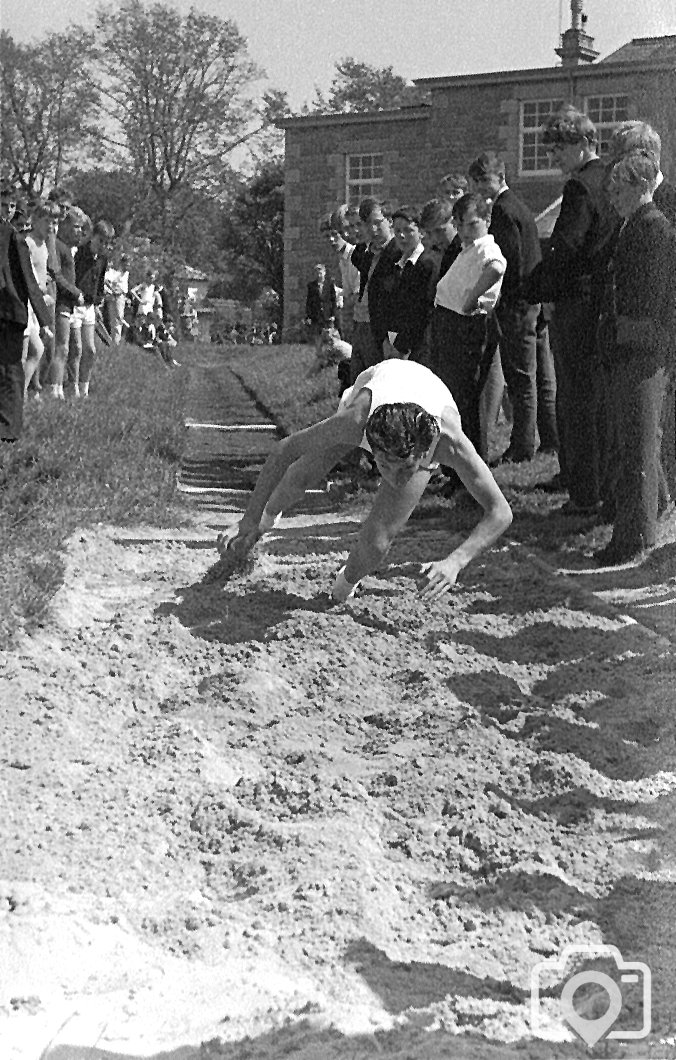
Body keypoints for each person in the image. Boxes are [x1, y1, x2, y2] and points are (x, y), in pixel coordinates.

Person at [217, 358, 512, 601]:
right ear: (370, 447)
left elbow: (500, 511)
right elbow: (284, 451)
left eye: (406, 469)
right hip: (377, 385)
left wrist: (455, 561)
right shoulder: (354, 422)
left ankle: (341, 590)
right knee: (306, 473)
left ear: (424, 453)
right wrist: (250, 517)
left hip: (426, 404)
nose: (395, 480)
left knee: (377, 541)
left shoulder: (450, 443)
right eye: (384, 466)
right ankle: (265, 523)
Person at [531, 104, 620, 514]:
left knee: (577, 401)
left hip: (576, 304)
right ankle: (600, 485)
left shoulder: (580, 187)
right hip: (604, 300)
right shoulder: (612, 178)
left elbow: (566, 247)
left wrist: (532, 288)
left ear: (585, 142)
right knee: (598, 401)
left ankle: (583, 492)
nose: (554, 157)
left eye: (560, 147)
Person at [595, 151, 676, 565]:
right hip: (628, 342)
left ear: (643, 186)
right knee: (636, 439)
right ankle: (653, 509)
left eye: (619, 188)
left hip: (642, 347)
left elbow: (653, 297)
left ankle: (634, 537)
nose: (612, 196)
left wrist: (626, 330)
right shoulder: (633, 225)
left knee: (639, 444)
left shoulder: (654, 229)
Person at [468, 151, 544, 464]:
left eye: (485, 180)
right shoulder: (515, 205)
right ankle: (529, 440)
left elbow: (509, 260)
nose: (482, 187)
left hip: (516, 302)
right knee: (524, 376)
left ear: (500, 177)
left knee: (521, 378)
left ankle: (524, 444)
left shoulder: (503, 210)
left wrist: (502, 297)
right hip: (526, 300)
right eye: (478, 181)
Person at [430, 193, 506, 461]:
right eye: (460, 225)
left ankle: (472, 468)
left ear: (486, 221)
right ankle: (457, 467)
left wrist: (472, 298)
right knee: (454, 400)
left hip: (468, 325)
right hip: (450, 324)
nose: (464, 231)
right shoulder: (468, 248)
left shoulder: (486, 246)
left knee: (468, 403)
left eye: (472, 224)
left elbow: (496, 268)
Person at [0, 215, 52, 441]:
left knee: (11, 370)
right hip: (9, 311)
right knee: (10, 372)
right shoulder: (11, 235)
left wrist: (43, 318)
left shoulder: (11, 236)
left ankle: (9, 431)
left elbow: (28, 279)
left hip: (9, 312)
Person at [383, 204, 439, 366]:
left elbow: (422, 311)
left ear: (421, 232)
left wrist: (401, 347)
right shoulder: (396, 264)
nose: (401, 236)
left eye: (408, 230)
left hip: (420, 345)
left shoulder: (427, 264)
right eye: (397, 231)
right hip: (396, 342)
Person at [69, 219, 115, 397]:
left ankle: (84, 387)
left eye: (106, 242)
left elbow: (100, 282)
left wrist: (98, 302)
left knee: (90, 349)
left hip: (89, 307)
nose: (102, 245)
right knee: (76, 348)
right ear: (93, 236)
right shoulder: (80, 253)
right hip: (75, 303)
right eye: (100, 240)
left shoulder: (102, 259)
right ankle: (72, 387)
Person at [48, 206, 86, 400]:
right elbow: (57, 276)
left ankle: (60, 386)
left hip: (67, 303)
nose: (78, 231)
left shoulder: (67, 248)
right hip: (62, 302)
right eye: (76, 226)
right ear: (64, 225)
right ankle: (55, 388)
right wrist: (75, 293)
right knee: (61, 347)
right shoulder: (57, 246)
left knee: (69, 347)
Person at [22, 200, 59, 401]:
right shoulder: (27, 242)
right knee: (29, 350)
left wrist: (46, 281)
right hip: (27, 303)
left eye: (54, 223)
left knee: (38, 349)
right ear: (35, 220)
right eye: (47, 222)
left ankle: (22, 393)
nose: (50, 227)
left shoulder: (43, 244)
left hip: (37, 305)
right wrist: (40, 293)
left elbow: (40, 272)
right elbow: (26, 275)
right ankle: (18, 395)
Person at [104, 252, 130, 346]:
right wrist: (112, 289)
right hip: (113, 297)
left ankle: (117, 341)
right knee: (114, 319)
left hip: (121, 297)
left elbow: (124, 288)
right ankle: (114, 341)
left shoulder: (125, 273)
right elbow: (106, 280)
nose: (127, 265)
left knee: (119, 319)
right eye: (126, 263)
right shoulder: (115, 273)